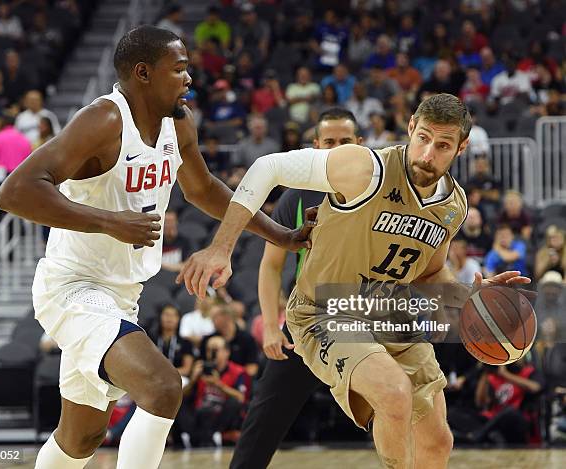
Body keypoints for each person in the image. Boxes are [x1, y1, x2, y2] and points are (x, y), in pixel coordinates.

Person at [0, 26, 311, 469]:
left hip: (124, 295)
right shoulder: (103, 120)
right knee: (163, 387)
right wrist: (107, 221)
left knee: (81, 437)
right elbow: (14, 192)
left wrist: (279, 233)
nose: (189, 79)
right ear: (143, 73)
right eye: (179, 69)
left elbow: (203, 189)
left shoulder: (178, 122)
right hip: (73, 288)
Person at [179, 93, 530, 469]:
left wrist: (468, 294)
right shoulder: (365, 168)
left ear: (461, 148)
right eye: (423, 138)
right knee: (393, 394)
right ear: (411, 127)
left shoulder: (453, 206)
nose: (428, 154)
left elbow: (428, 275)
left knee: (437, 440)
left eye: (442, 145)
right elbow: (267, 167)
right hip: (324, 311)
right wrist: (222, 246)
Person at [231, 107, 363, 469]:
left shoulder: (379, 192)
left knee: (398, 407)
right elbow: (271, 266)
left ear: (360, 145)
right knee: (265, 415)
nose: (337, 149)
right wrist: (271, 327)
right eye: (330, 142)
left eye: (345, 142)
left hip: (367, 312)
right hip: (312, 317)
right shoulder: (296, 195)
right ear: (316, 146)